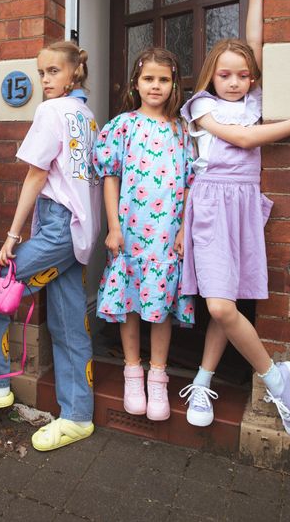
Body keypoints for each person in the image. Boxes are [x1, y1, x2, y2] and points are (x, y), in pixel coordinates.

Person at [179, 0, 290, 437]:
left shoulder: (253, 95)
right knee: (218, 303)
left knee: (228, 300)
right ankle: (276, 377)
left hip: (244, 204)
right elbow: (240, 139)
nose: (235, 81)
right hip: (213, 203)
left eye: (242, 76)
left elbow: (255, 44)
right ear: (211, 75)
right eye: (225, 74)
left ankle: (202, 377)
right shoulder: (200, 106)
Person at [0, 41, 102, 452]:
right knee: (68, 324)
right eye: (41, 73)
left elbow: (36, 176)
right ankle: (78, 416)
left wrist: (12, 238)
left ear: (73, 75)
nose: (46, 80)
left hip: (58, 225)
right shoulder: (87, 116)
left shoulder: (53, 111)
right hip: (79, 230)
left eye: (53, 72)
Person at [94, 48, 195, 420]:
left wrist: (184, 229)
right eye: (148, 79)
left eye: (163, 79)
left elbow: (189, 184)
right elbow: (110, 178)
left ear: (174, 84)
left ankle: (158, 376)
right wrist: (114, 226)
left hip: (168, 235)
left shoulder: (183, 132)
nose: (156, 86)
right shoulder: (123, 125)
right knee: (130, 306)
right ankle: (132, 373)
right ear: (136, 83)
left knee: (161, 307)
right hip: (130, 232)